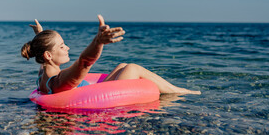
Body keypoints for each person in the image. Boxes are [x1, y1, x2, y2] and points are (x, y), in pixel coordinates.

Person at [21, 15, 201, 95]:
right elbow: (84, 63)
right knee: (132, 68)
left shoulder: (43, 74)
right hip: (91, 97)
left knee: (122, 66)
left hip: (91, 90)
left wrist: (39, 35)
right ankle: (180, 92)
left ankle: (174, 90)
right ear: (49, 55)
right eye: (61, 46)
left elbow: (41, 52)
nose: (67, 47)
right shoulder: (57, 82)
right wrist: (98, 41)